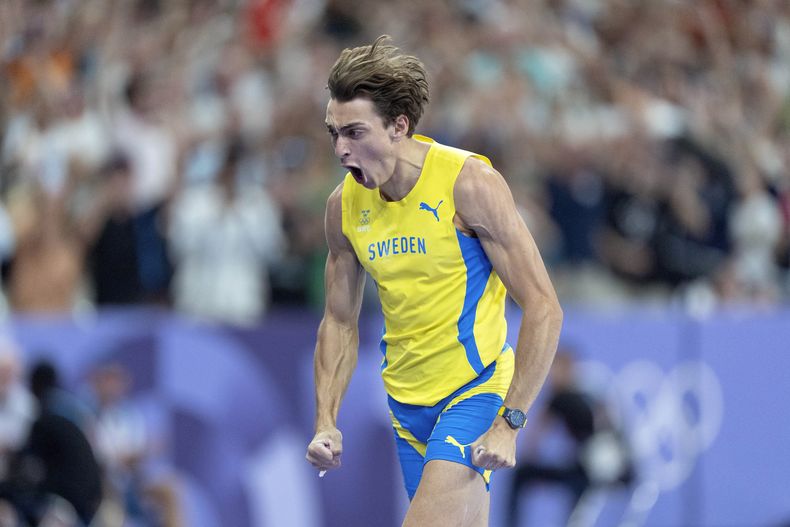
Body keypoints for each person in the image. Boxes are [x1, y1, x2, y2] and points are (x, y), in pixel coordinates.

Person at [305, 36, 563, 526]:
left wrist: (511, 421)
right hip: (406, 411)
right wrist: (326, 421)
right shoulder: (344, 207)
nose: (341, 149)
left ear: (399, 125)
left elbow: (544, 306)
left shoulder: (468, 184)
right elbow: (338, 321)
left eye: (355, 133)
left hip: (474, 393)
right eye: (334, 133)